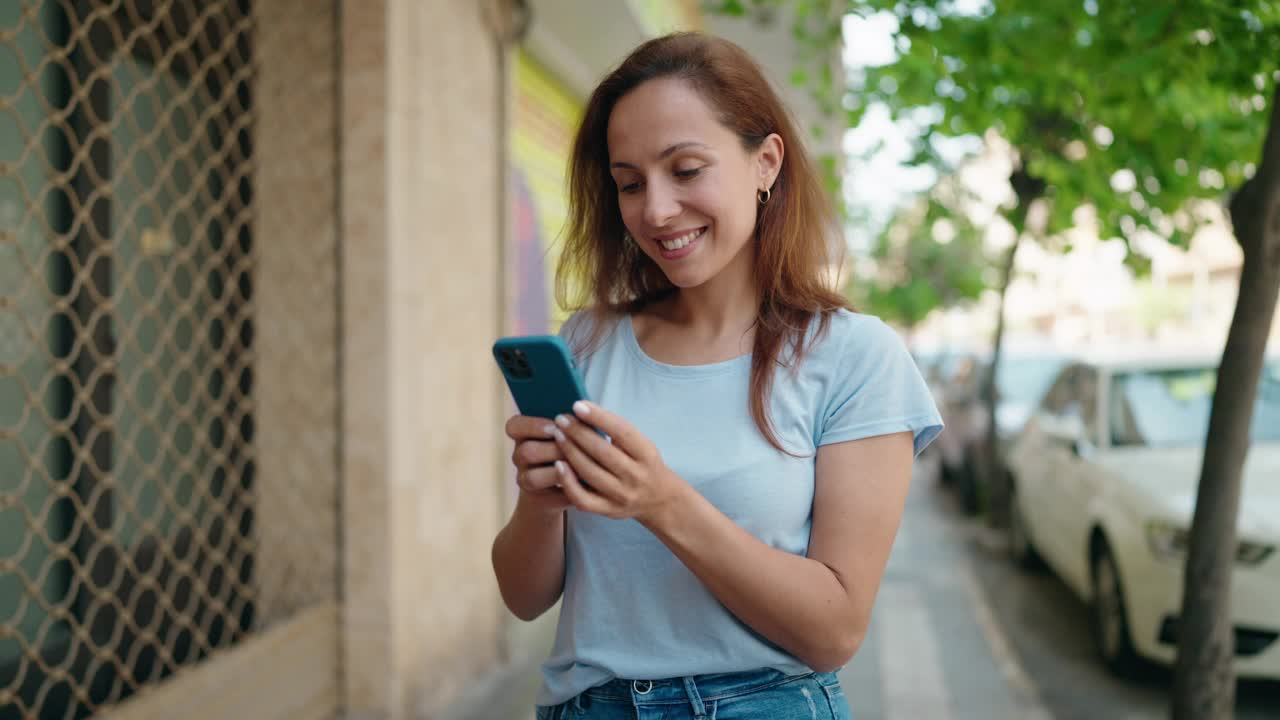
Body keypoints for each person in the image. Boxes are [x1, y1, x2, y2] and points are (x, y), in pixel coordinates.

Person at [491, 32, 943, 720]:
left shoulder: (854, 356)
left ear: (765, 162)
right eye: (630, 184)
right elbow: (524, 598)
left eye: (687, 169)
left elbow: (835, 631)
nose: (657, 210)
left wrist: (662, 502)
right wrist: (542, 500)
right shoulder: (587, 341)